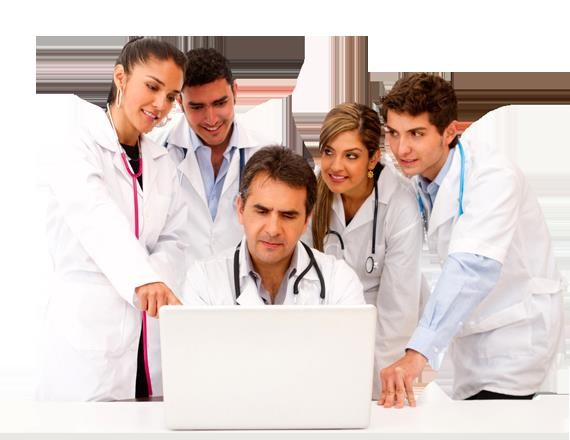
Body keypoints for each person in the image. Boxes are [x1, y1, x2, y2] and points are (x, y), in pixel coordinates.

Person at [379, 73, 564, 407]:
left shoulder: (493, 177)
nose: (401, 149)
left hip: (516, 336)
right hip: (470, 342)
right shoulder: (418, 177)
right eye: (393, 133)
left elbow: (472, 267)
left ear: (450, 132)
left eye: (416, 134)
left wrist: (418, 351)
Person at [37, 37, 189, 401]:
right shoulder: (74, 143)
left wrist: (155, 283)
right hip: (89, 335)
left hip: (148, 337)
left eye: (171, 96)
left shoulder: (162, 161)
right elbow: (95, 215)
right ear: (121, 77)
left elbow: (174, 239)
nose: (161, 105)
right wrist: (144, 279)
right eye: (152, 87)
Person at [309, 103, 425, 400]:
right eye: (329, 152)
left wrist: (377, 389)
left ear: (373, 157)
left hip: (382, 334)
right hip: (324, 332)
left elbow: (398, 310)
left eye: (351, 155)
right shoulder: (312, 191)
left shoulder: (400, 203)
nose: (335, 166)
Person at [182, 146, 365, 307]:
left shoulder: (339, 282)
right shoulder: (204, 281)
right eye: (262, 211)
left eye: (288, 215)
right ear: (240, 209)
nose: (273, 230)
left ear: (306, 221)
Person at [157, 47, 277, 264]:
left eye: (220, 103)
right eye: (197, 107)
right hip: (177, 281)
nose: (211, 119)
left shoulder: (268, 153)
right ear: (180, 103)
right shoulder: (155, 151)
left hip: (242, 281)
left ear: (235, 92)